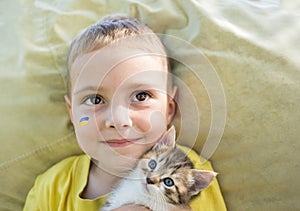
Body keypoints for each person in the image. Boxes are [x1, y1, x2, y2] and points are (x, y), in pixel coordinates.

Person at [23, 15, 227, 211]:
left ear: (169, 109)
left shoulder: (188, 171)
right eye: (95, 100)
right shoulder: (51, 188)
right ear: (73, 115)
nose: (119, 121)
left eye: (140, 97)